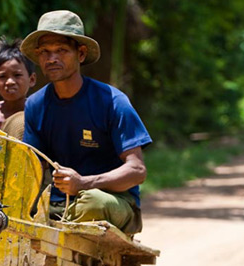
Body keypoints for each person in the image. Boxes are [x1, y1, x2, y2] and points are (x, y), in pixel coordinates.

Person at [20, 10, 152, 234]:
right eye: (45, 52)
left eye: (61, 50)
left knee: (92, 203)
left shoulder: (112, 101)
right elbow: (31, 167)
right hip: (57, 205)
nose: (52, 58)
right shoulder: (35, 104)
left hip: (111, 200)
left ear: (80, 54)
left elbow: (137, 171)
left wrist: (83, 183)